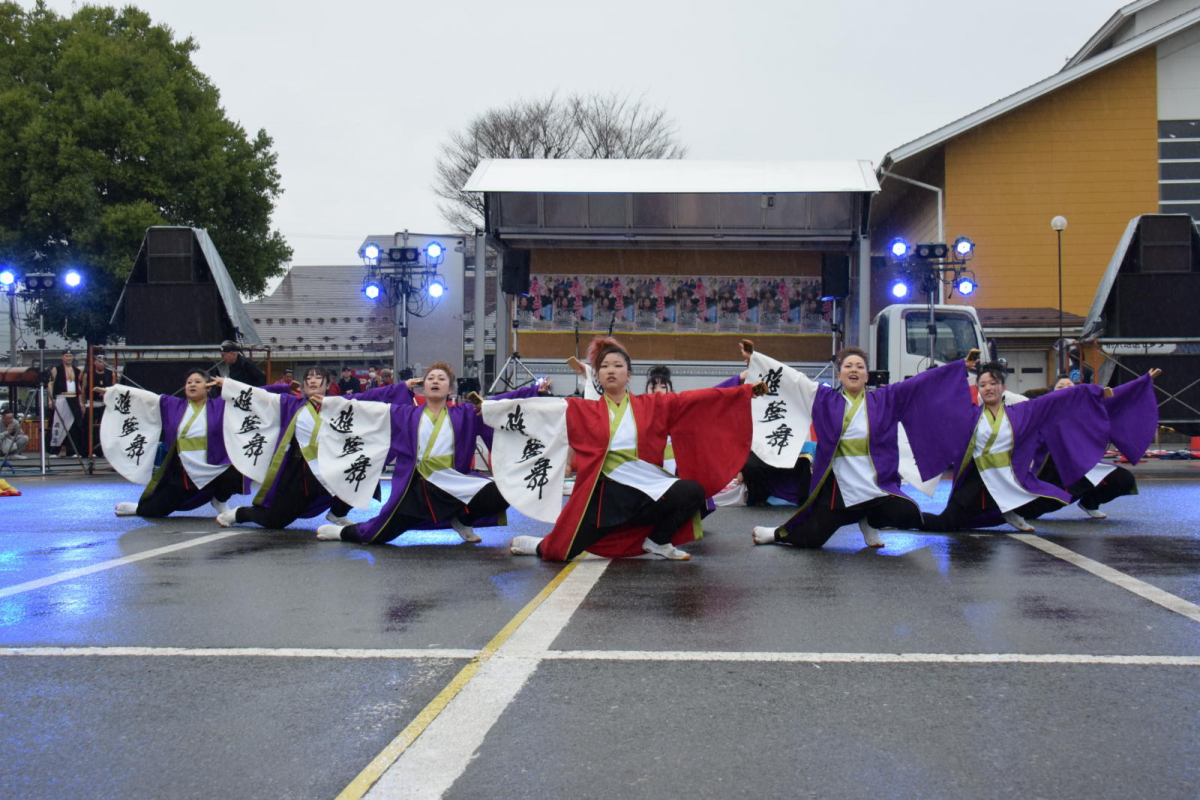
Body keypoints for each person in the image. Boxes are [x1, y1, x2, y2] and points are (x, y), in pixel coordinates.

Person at [509, 335, 760, 562]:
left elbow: (698, 399)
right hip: (607, 497)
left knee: (692, 491)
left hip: (646, 488)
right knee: (559, 553)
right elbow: (538, 411)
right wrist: (493, 408)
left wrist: (743, 388)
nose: (611, 370)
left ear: (628, 375)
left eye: (618, 366)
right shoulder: (583, 409)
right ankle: (538, 545)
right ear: (597, 375)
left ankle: (659, 540)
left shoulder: (652, 406)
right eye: (604, 366)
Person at [749, 343, 976, 550]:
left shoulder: (885, 399)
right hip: (839, 489)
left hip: (876, 485)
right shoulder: (825, 399)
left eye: (860, 366)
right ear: (839, 375)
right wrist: (756, 359)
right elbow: (794, 380)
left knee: (906, 513)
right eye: (848, 366)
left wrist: (959, 367)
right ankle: (775, 533)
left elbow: (919, 384)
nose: (854, 370)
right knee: (811, 539)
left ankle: (870, 520)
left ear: (867, 375)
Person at [317, 363, 549, 545]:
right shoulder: (404, 414)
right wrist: (332, 403)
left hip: (452, 482)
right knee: (378, 534)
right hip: (417, 486)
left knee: (503, 492)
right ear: (423, 387)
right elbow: (366, 405)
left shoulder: (466, 413)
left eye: (441, 379)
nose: (435, 381)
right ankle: (342, 532)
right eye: (430, 378)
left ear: (450, 389)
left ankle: (463, 519)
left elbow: (500, 403)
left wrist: (532, 390)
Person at [919, 363, 1155, 533]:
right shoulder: (971, 415)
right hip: (979, 480)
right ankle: (904, 517)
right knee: (950, 523)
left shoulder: (1024, 412)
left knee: (1112, 481)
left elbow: (1077, 395)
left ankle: (1015, 509)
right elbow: (940, 402)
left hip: (1017, 478)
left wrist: (1134, 385)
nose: (988, 388)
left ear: (1003, 387)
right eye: (983, 384)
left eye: (993, 383)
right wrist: (959, 366)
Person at [217, 367, 402, 530]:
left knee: (364, 469)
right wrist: (228, 385)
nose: (312, 381)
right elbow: (261, 397)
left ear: (328, 384)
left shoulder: (340, 404)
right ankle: (240, 514)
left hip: (333, 466)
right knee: (275, 520)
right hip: (302, 472)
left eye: (318, 377)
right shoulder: (291, 405)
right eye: (308, 378)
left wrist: (403, 386)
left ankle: (338, 513)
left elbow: (371, 397)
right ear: (304, 386)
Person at [113, 370, 244, 518]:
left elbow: (253, 394)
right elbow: (147, 398)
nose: (192, 385)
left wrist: (228, 384)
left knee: (241, 468)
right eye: (189, 382)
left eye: (197, 382)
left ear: (208, 387)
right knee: (153, 510)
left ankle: (220, 500)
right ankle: (138, 508)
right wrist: (115, 392)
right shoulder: (173, 405)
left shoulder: (221, 405)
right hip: (184, 470)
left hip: (215, 467)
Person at [1028, 372, 1158, 520]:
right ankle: (1015, 514)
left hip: (1085, 464)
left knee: (1123, 479)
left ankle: (1090, 503)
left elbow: (1115, 395)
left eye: (1070, 386)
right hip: (1055, 468)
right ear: (1052, 392)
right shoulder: (1043, 409)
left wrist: (1141, 382)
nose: (1066, 389)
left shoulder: (1086, 407)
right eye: (1060, 387)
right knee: (1037, 508)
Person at [80, 351, 118, 456]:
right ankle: (87, 450)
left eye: (103, 361)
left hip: (104, 404)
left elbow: (114, 389)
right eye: (99, 361)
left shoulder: (110, 374)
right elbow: (83, 390)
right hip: (91, 403)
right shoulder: (88, 374)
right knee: (88, 428)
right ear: (95, 362)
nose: (101, 363)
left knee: (104, 428)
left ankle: (101, 451)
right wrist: (83, 403)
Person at [48, 351, 85, 457]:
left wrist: (81, 402)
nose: (69, 358)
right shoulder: (56, 369)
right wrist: (50, 399)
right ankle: (54, 451)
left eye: (70, 356)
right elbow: (50, 384)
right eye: (67, 356)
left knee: (74, 426)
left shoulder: (76, 370)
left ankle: (72, 451)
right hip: (61, 398)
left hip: (73, 398)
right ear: (62, 357)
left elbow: (78, 388)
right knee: (58, 424)